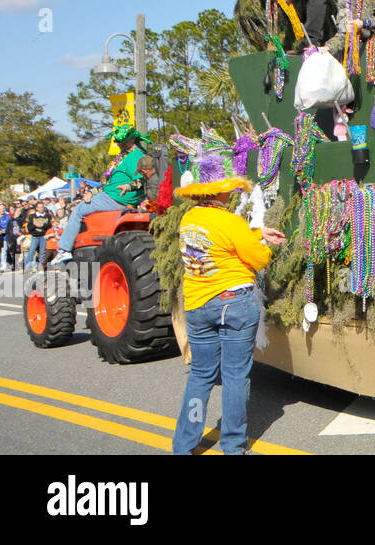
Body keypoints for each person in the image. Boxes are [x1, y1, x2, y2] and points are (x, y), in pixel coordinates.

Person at [171, 174, 286, 455]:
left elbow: (217, 240)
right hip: (233, 303)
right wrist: (261, 243)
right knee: (235, 376)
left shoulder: (189, 219)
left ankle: (184, 445)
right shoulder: (230, 221)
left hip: (197, 305)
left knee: (200, 375)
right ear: (218, 194)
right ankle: (233, 446)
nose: (232, 193)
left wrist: (258, 232)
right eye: (228, 190)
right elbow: (258, 258)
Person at [52, 125, 151, 265]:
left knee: (78, 210)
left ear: (133, 139)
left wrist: (127, 187)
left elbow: (144, 178)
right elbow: (108, 185)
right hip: (110, 194)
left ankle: (64, 249)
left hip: (117, 198)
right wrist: (91, 193)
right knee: (82, 206)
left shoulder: (135, 157)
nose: (120, 144)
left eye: (123, 141)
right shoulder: (123, 156)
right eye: (118, 142)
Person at [21, 200, 55, 270]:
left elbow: (49, 226)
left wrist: (42, 225)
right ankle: (27, 267)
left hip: (43, 236)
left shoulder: (47, 216)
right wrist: (35, 225)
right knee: (31, 251)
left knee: (42, 252)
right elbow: (29, 227)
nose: (41, 209)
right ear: (36, 208)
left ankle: (41, 266)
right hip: (35, 236)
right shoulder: (32, 216)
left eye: (42, 207)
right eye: (39, 207)